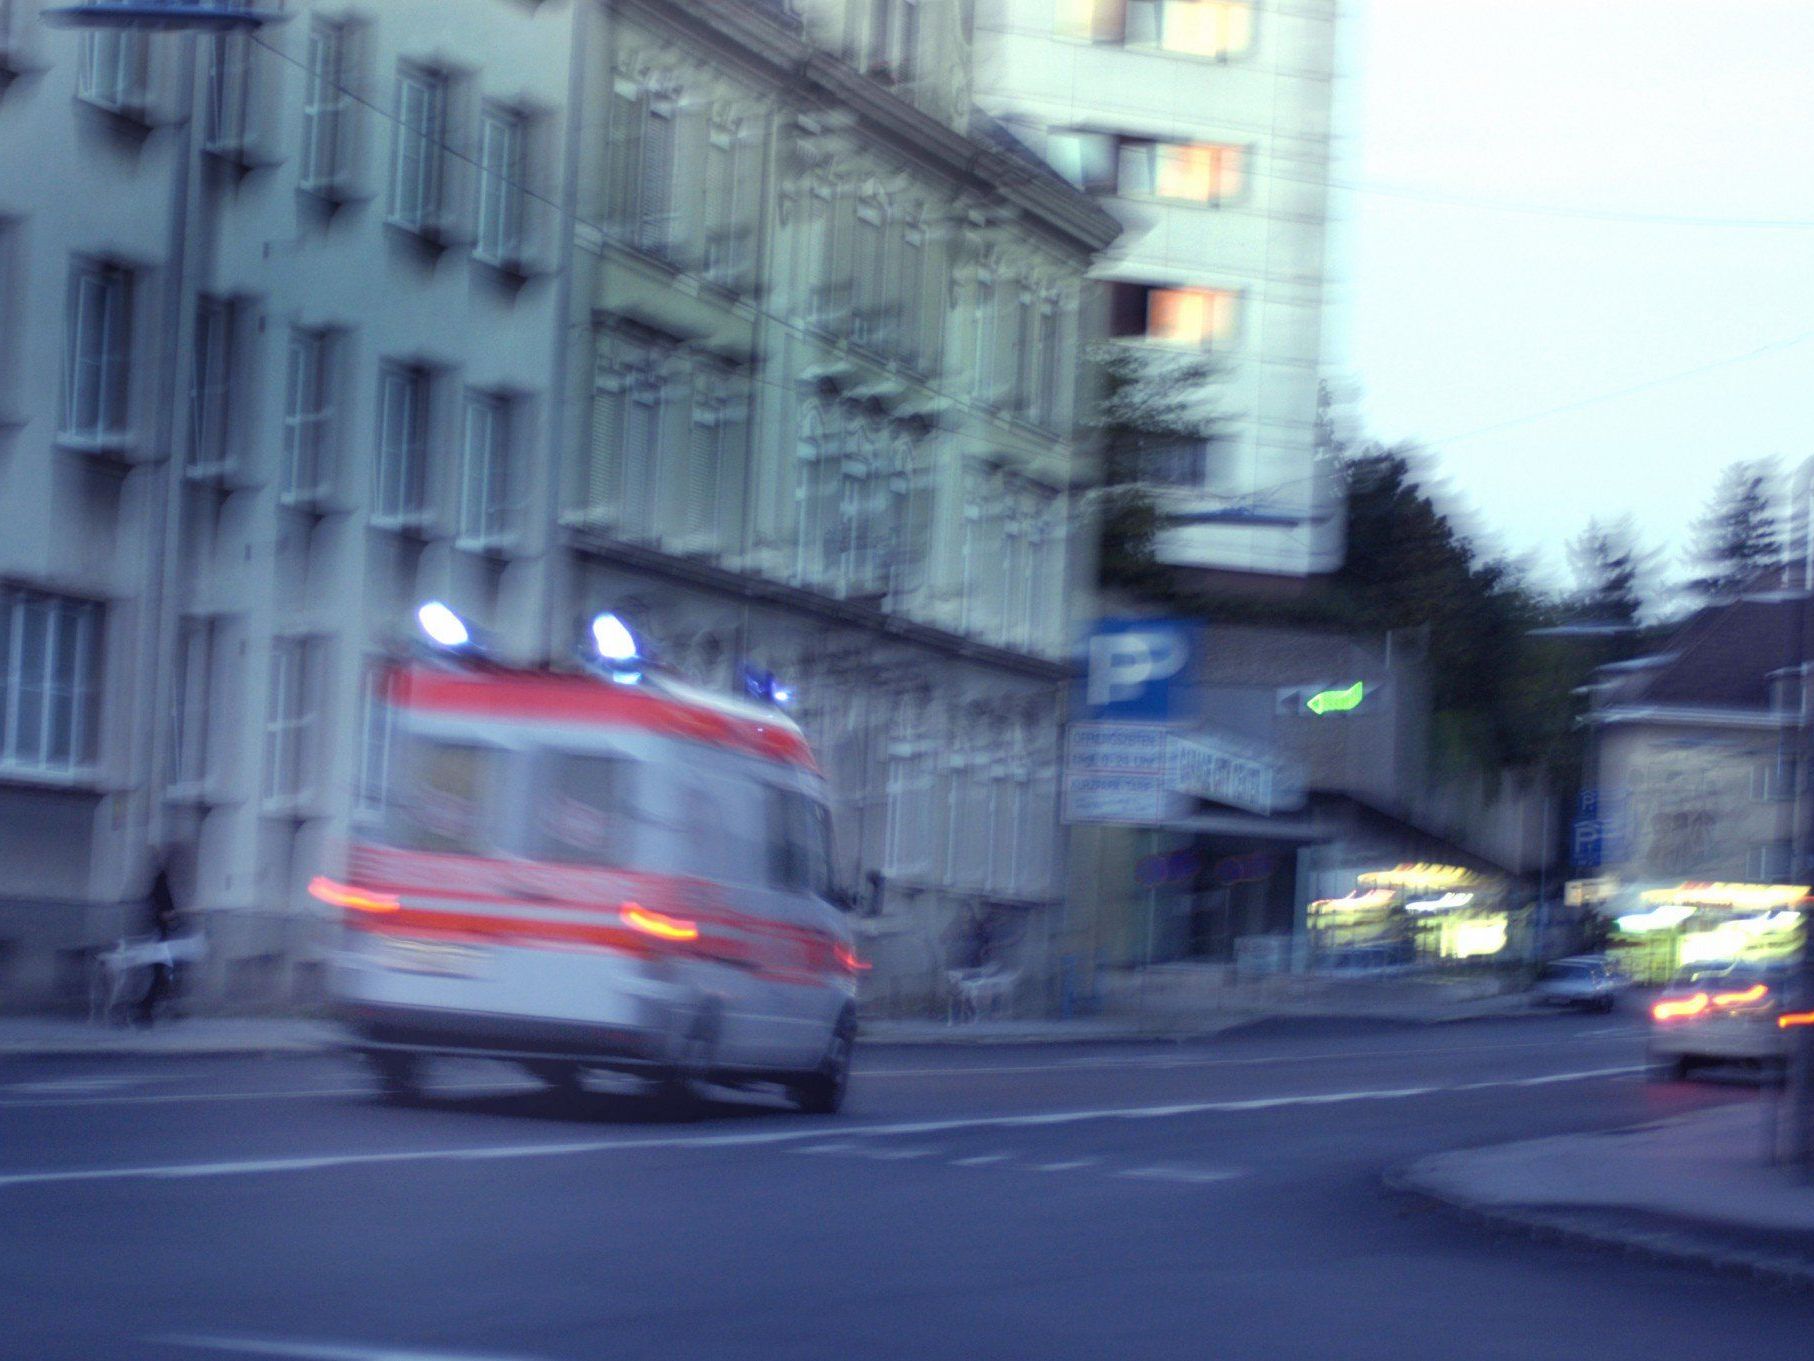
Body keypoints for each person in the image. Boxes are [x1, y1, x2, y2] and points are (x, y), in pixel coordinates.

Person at [135, 858, 179, 1027]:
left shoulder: (155, 889)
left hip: (156, 937)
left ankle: (147, 1008)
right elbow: (166, 914)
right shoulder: (163, 890)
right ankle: (145, 1009)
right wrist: (172, 915)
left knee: (160, 975)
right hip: (160, 939)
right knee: (160, 976)